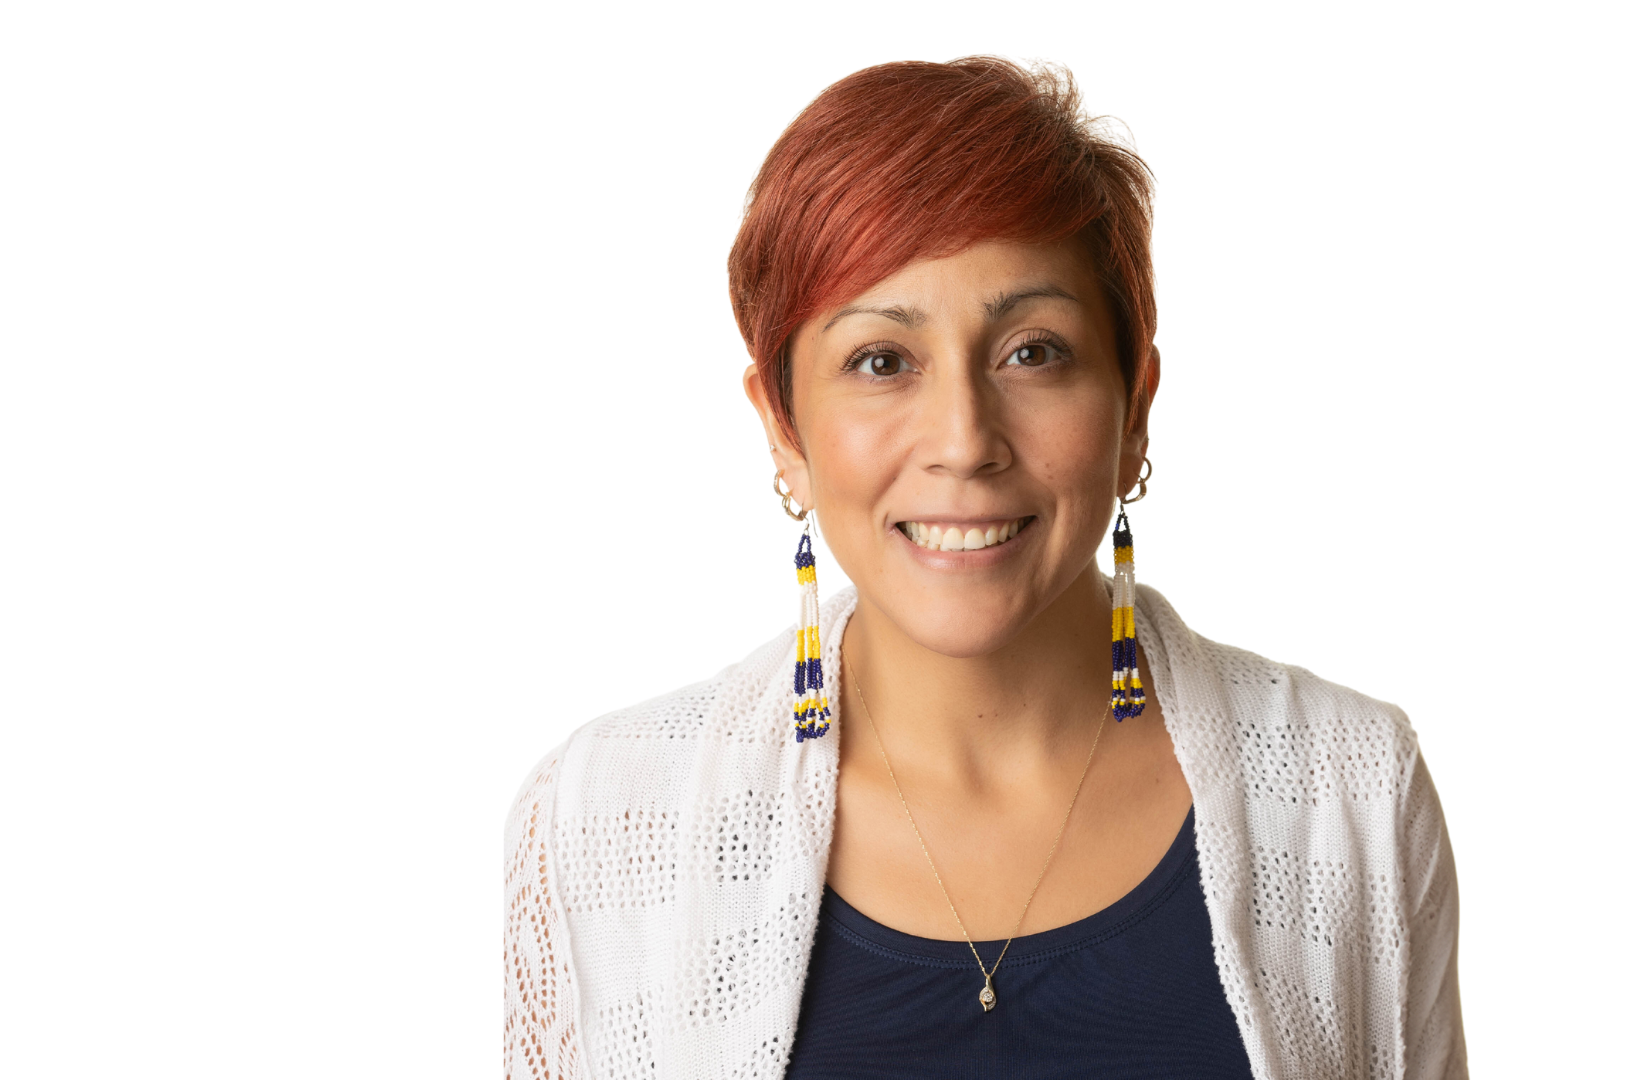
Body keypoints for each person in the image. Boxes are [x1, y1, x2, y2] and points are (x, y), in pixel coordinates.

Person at [504, 56, 1466, 1080]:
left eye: (1032, 351)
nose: (964, 441)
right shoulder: (603, 823)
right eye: (883, 361)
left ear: (1134, 405)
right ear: (783, 428)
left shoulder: (1352, 793)